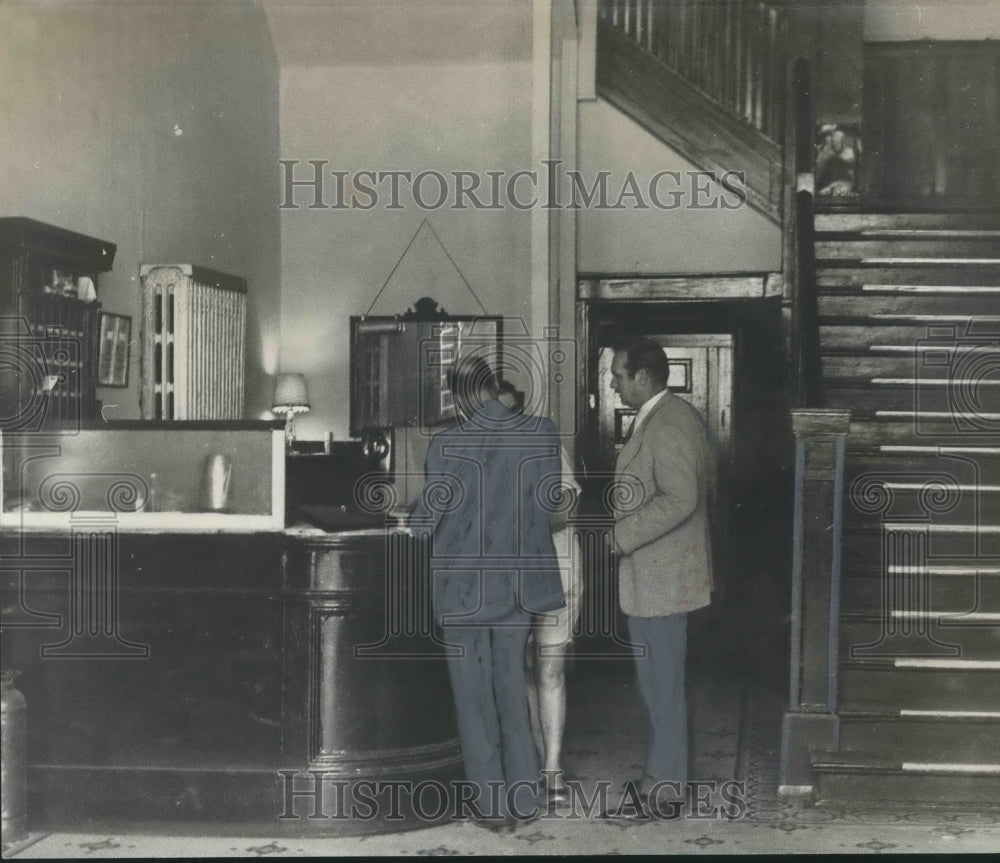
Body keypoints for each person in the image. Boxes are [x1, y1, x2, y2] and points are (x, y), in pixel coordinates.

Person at [410, 356, 565, 832]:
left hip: (464, 591)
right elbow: (549, 503)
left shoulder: (447, 444)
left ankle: (493, 808)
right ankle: (524, 800)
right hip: (518, 587)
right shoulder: (542, 433)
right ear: (495, 388)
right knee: (511, 690)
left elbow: (424, 522)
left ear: (461, 396)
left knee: (473, 699)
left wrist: (410, 518)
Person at [607, 338, 714, 815]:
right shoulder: (665, 416)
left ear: (643, 377)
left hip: (662, 579)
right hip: (657, 578)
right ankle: (657, 780)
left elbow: (681, 497)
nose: (612, 383)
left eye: (618, 374)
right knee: (657, 687)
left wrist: (622, 536)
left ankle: (664, 792)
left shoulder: (668, 422)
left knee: (662, 688)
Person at [496, 380, 582, 805]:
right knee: (519, 671)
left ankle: (553, 768)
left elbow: (564, 511)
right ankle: (529, 762)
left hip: (555, 571)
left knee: (549, 668)